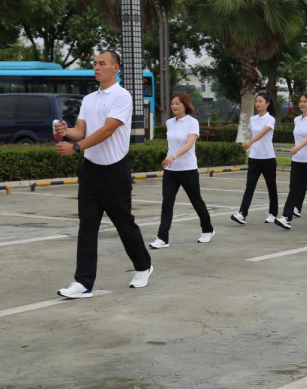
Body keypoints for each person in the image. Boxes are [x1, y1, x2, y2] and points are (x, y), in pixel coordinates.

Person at [55, 50, 152, 299]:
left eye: (102, 63)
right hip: (90, 171)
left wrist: (76, 147)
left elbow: (108, 130)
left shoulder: (122, 96)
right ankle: (83, 282)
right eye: (95, 64)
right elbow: (81, 131)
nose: (97, 67)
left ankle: (143, 266)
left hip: (114, 171)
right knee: (87, 226)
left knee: (123, 224)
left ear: (115, 67)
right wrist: (66, 132)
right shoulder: (89, 99)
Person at [149, 91, 214, 249]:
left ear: (185, 105)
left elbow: (189, 144)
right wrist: (170, 158)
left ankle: (208, 230)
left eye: (177, 103)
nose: (174, 106)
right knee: (167, 203)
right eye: (172, 104)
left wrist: (173, 156)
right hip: (171, 170)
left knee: (196, 201)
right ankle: (163, 238)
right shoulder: (169, 122)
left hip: (188, 169)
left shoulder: (193, 122)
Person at [275, 93, 307, 229]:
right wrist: (297, 150)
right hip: (297, 160)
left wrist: (297, 148)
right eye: (301, 101)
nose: (302, 104)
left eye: (305, 101)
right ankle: (286, 217)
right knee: (294, 188)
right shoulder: (297, 119)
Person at [232, 91, 278, 225]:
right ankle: (242, 214)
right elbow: (253, 133)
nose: (258, 104)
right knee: (250, 186)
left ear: (267, 103)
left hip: (268, 158)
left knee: (271, 186)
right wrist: (250, 144)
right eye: (256, 101)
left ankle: (273, 213)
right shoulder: (253, 119)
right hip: (254, 158)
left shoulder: (270, 119)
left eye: (260, 101)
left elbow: (263, 133)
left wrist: (250, 142)